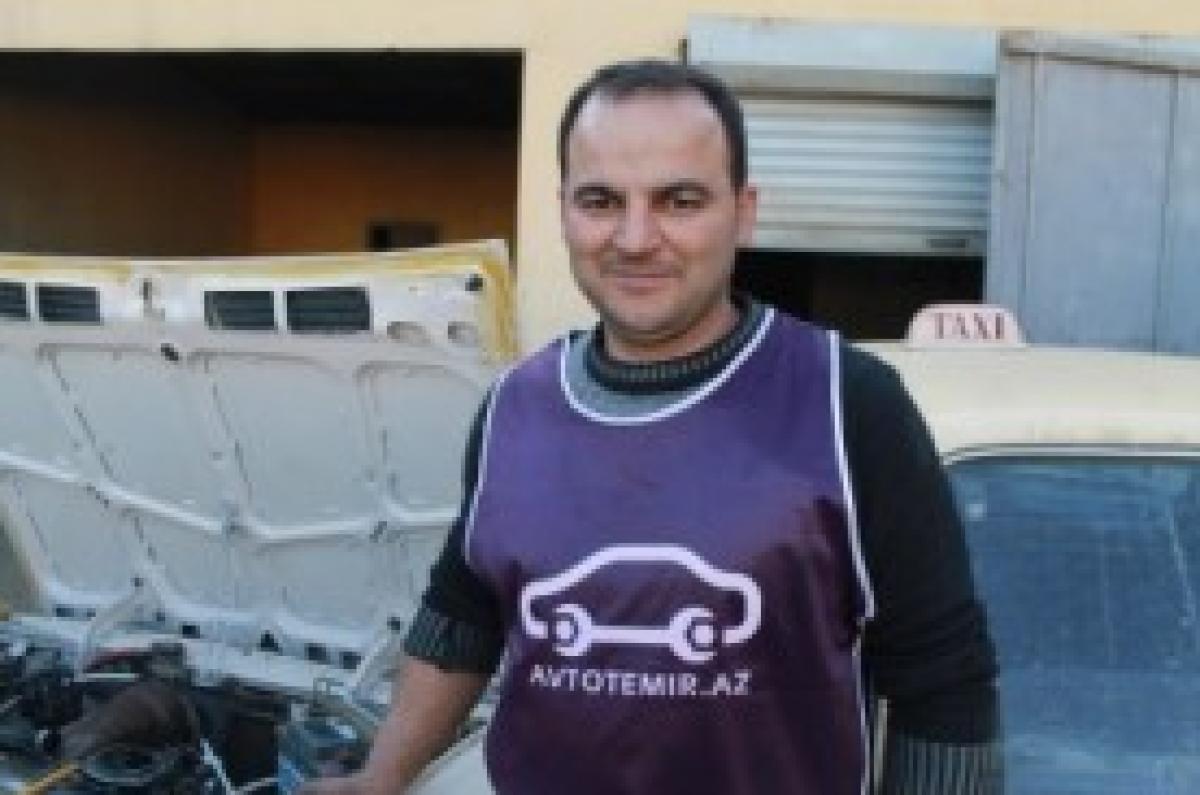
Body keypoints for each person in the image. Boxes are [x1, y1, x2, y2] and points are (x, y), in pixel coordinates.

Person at [303, 59, 1000, 794]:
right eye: (601, 200)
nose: (635, 239)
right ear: (563, 211)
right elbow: (462, 615)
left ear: (744, 211)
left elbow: (944, 678)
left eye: (680, 200)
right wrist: (378, 780)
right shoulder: (514, 406)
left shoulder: (846, 401)